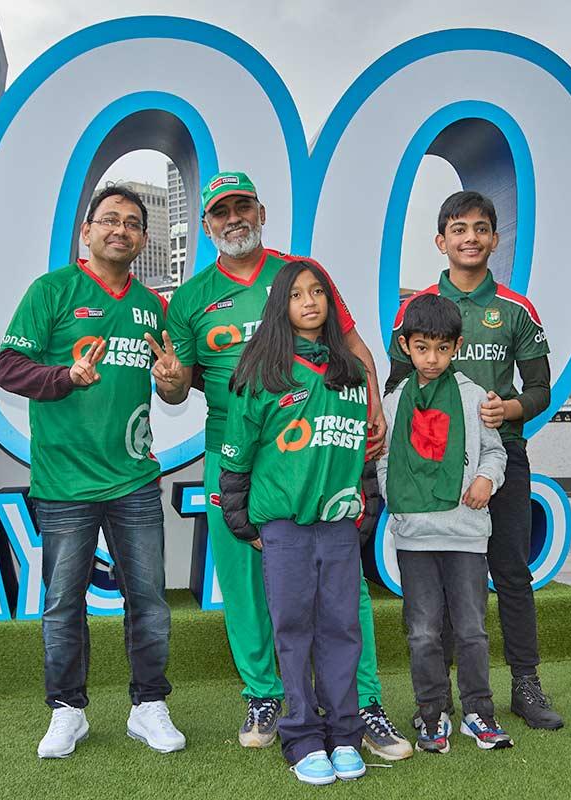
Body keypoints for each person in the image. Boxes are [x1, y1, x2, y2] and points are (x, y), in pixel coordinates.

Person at [149, 172, 412, 758]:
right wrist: (167, 385)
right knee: (244, 582)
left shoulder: (299, 275)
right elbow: (177, 387)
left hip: (318, 447)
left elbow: (354, 344)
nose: (233, 218)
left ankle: (362, 701)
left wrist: (372, 402)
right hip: (234, 454)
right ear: (207, 223)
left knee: (345, 583)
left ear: (262, 212)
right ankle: (265, 693)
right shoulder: (190, 298)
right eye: (221, 211)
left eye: (243, 206)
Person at [0, 184, 185, 758]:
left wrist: (174, 381)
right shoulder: (52, 290)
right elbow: (8, 367)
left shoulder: (154, 306)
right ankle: (67, 711)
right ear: (87, 230)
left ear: (144, 239)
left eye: (131, 223)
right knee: (62, 602)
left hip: (134, 480)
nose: (119, 230)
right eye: (109, 220)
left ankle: (148, 705)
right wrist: (65, 378)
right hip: (64, 483)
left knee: (149, 600)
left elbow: (170, 391)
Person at [385, 190, 564, 730]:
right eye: (458, 229)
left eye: (480, 228)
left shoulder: (516, 309)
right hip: (431, 461)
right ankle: (436, 704)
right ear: (441, 240)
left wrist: (509, 408)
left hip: (500, 455)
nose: (469, 237)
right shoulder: (415, 312)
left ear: (494, 238)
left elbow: (540, 389)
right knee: (437, 582)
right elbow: (396, 388)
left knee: (510, 570)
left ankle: (526, 687)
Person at [217, 260, 375, 785]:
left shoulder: (349, 372)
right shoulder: (260, 371)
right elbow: (236, 455)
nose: (309, 302)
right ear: (279, 305)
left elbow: (361, 455)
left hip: (336, 527)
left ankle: (346, 733)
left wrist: (364, 506)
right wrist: (243, 521)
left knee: (342, 629)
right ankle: (302, 736)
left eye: (319, 292)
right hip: (282, 528)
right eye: (297, 294)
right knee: (293, 629)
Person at [377, 293, 513, 752]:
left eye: (440, 348)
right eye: (421, 347)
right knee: (422, 631)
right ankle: (431, 713)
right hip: (414, 536)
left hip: (467, 534)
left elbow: (496, 452)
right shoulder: (395, 403)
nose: (431, 358)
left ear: (456, 347)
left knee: (472, 628)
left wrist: (484, 480)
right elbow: (385, 459)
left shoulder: (475, 397)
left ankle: (479, 711)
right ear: (406, 347)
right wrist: (396, 502)